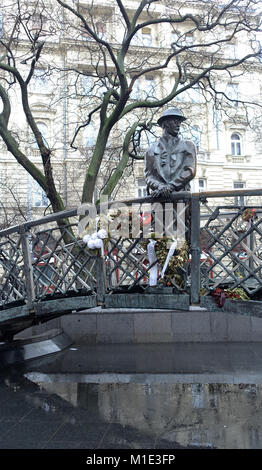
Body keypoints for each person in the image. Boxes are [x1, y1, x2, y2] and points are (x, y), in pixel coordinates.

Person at [144, 108, 196, 197]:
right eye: (175, 121)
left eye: (179, 122)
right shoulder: (151, 150)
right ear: (165, 123)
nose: (178, 124)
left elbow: (190, 171)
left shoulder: (188, 146)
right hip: (159, 198)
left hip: (181, 197)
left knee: (181, 210)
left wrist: (171, 186)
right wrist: (160, 186)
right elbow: (149, 176)